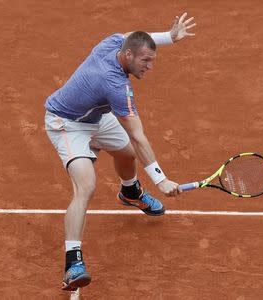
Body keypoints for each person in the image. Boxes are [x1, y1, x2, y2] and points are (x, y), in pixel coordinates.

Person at [44, 13, 196, 291]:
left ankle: (130, 192)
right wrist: (161, 179)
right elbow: (138, 135)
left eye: (152, 59)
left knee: (126, 153)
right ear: (127, 56)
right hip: (66, 124)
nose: (150, 66)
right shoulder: (115, 85)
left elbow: (134, 37)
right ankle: (72, 264)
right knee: (86, 186)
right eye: (145, 61)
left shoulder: (113, 42)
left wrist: (169, 37)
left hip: (95, 118)